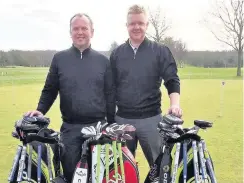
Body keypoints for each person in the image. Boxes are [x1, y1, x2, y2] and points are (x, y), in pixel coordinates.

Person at [25, 13, 116, 182]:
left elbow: (110, 95)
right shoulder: (59, 59)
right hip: (70, 129)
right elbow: (50, 89)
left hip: (98, 128)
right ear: (70, 32)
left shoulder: (103, 61)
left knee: (99, 177)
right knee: (70, 176)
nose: (80, 32)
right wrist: (40, 110)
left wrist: (111, 126)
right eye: (76, 28)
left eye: (84, 28)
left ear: (92, 32)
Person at [109, 4, 182, 167]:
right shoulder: (116, 54)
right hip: (122, 120)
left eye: (140, 23)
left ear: (147, 25)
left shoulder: (160, 51)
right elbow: (110, 88)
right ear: (126, 26)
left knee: (159, 167)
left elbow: (172, 80)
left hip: (152, 120)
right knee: (121, 170)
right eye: (132, 23)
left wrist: (175, 105)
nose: (136, 27)